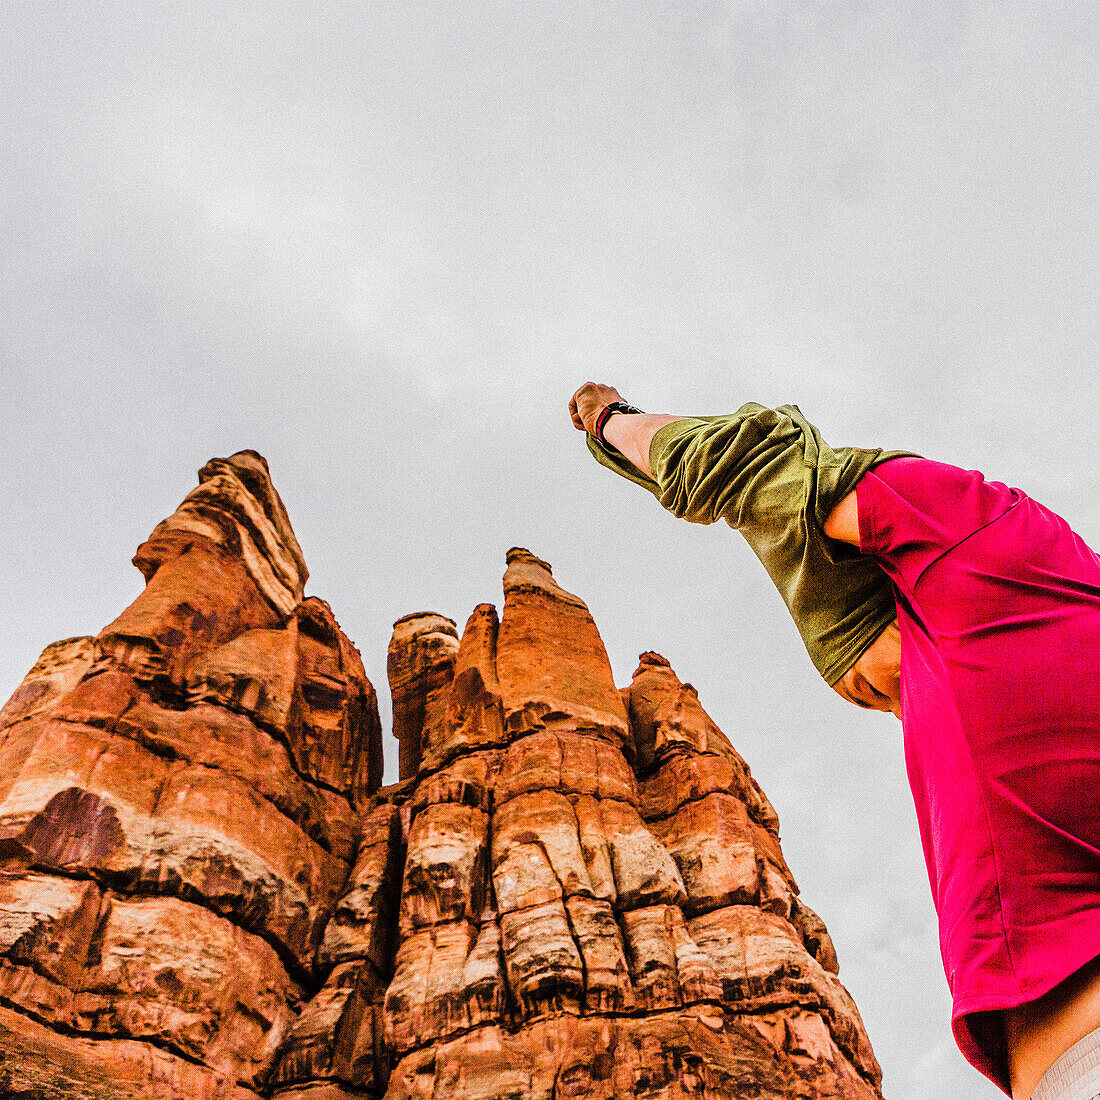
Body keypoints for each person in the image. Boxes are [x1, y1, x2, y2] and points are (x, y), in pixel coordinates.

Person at [569, 382, 1100, 1100]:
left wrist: (615, 424)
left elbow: (751, 462)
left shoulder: (984, 531)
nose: (872, 693)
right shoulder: (1033, 631)